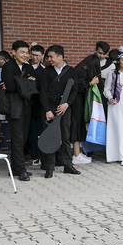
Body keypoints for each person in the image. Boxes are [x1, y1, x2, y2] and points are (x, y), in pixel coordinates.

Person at [40, 45, 81, 178]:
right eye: (48, 57)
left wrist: (66, 104)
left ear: (60, 57)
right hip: (50, 109)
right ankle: (49, 167)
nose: (49, 59)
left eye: (51, 56)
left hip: (64, 109)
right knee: (51, 137)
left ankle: (68, 165)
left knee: (65, 137)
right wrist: (47, 110)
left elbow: (74, 90)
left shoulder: (71, 71)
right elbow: (43, 92)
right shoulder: (46, 72)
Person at [2, 40, 37, 181]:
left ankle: (16, 168)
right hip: (14, 107)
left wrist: (21, 82)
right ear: (13, 53)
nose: (25, 55)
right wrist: (26, 82)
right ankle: (21, 170)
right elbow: (10, 86)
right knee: (17, 138)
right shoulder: (8, 67)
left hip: (27, 106)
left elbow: (34, 85)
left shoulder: (28, 67)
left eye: (27, 52)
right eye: (22, 52)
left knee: (22, 138)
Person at [70, 55, 101, 165]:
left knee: (78, 126)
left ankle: (77, 153)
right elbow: (78, 88)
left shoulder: (79, 70)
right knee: (77, 126)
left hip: (76, 103)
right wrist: (91, 83)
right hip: (76, 103)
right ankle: (76, 155)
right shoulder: (82, 72)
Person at [27, 44, 45, 166]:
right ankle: (34, 156)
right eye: (32, 55)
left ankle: (42, 156)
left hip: (39, 105)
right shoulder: (25, 68)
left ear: (42, 56)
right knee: (30, 132)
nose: (34, 57)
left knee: (40, 132)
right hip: (27, 104)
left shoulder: (44, 71)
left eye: (37, 55)